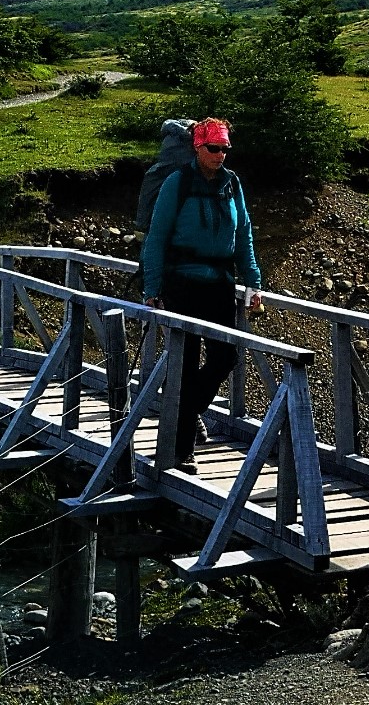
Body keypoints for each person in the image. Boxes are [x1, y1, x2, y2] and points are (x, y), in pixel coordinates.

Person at [140, 118, 264, 473]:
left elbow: (244, 234)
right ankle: (181, 451)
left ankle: (185, 415)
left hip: (220, 282)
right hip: (183, 283)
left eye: (225, 149)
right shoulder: (176, 184)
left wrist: (253, 280)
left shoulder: (232, 183)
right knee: (186, 362)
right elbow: (157, 237)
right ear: (197, 148)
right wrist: (152, 289)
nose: (220, 155)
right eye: (214, 148)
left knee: (226, 358)